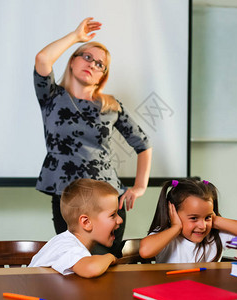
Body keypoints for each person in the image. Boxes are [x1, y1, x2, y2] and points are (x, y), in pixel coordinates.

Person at [33, 17, 152, 257]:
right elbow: (42, 59)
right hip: (69, 198)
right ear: (72, 62)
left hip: (108, 199)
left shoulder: (110, 106)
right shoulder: (52, 97)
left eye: (100, 64)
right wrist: (77, 37)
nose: (92, 64)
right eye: (87, 57)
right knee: (74, 261)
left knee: (109, 262)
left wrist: (140, 186)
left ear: (102, 76)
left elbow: (143, 143)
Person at [139, 178, 237, 263]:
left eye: (207, 217)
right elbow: (145, 251)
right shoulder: (167, 235)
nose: (202, 226)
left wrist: (216, 220)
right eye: (194, 218)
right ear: (173, 214)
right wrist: (175, 228)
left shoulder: (215, 236)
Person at [28, 178, 123, 278]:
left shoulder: (67, 242)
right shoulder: (68, 246)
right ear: (86, 222)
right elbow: (92, 268)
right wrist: (110, 257)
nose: (120, 220)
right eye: (113, 215)